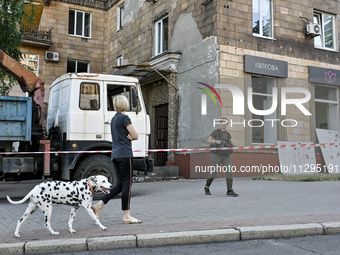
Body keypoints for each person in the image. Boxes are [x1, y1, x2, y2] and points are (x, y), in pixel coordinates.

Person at [92, 95, 142, 224]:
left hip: (115, 154)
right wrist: (131, 137)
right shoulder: (124, 117)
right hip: (125, 154)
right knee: (127, 184)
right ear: (125, 104)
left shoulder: (114, 119)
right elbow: (135, 135)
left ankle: (99, 205)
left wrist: (129, 136)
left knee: (120, 184)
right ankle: (126, 215)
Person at [205, 117, 238, 197]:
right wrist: (216, 141)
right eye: (222, 122)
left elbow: (232, 143)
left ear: (227, 124)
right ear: (220, 123)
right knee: (213, 173)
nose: (224, 124)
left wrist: (236, 146)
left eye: (225, 123)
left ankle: (229, 190)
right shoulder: (216, 132)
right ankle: (207, 187)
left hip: (226, 155)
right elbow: (208, 140)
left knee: (229, 172)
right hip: (217, 155)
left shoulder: (228, 134)